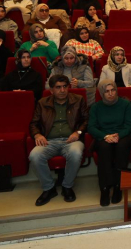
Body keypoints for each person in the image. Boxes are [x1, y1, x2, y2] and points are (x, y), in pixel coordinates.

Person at [29, 75, 89, 206]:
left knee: (75, 153)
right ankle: (49, 188)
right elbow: (34, 123)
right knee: (34, 155)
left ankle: (67, 186)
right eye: (58, 87)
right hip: (49, 141)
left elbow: (86, 120)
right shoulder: (42, 103)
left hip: (71, 140)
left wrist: (78, 132)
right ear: (51, 90)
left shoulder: (78, 100)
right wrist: (37, 135)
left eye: (65, 86)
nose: (62, 90)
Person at [89, 80, 131, 206]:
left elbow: (129, 125)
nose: (111, 94)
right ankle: (105, 188)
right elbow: (91, 127)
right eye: (107, 91)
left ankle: (118, 186)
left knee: (121, 146)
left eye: (113, 90)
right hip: (104, 136)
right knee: (104, 147)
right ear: (101, 93)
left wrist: (118, 136)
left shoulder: (125, 104)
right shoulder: (96, 107)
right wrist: (105, 136)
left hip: (124, 135)